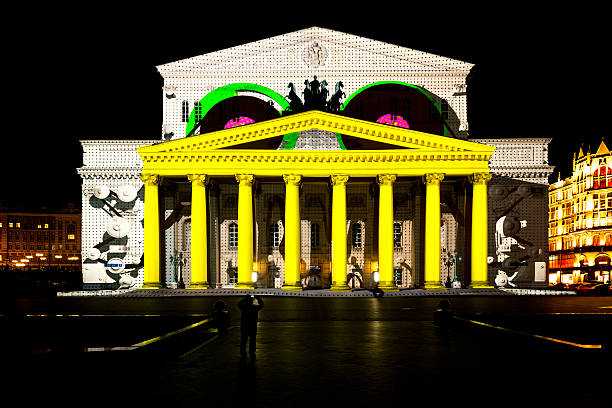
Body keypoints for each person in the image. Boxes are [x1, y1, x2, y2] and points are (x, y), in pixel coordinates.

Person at [238, 294, 264, 362]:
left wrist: (245, 299)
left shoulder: (244, 307)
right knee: (252, 340)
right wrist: (258, 299)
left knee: (243, 339)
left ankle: (243, 351)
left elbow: (239, 304)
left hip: (244, 326)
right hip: (253, 326)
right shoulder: (254, 308)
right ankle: (252, 351)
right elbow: (262, 305)